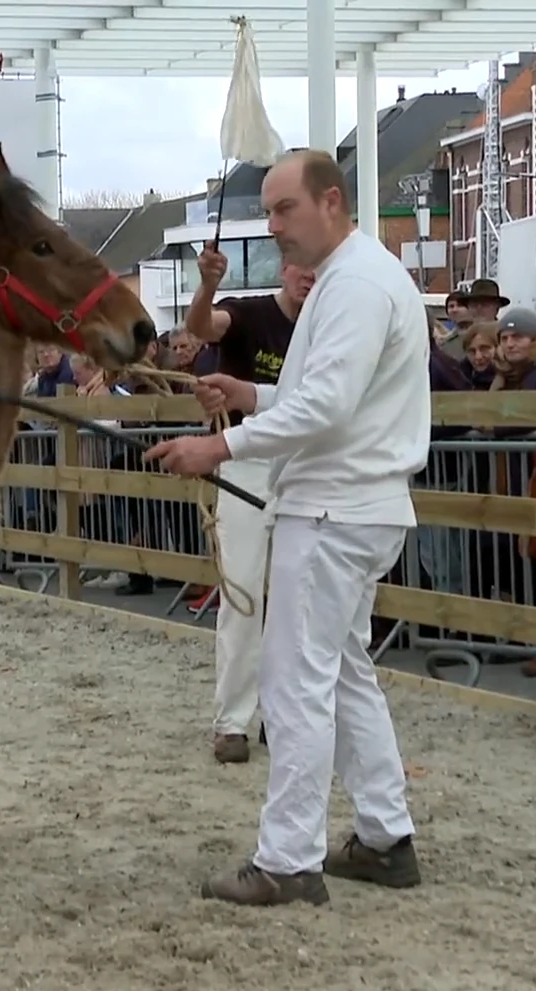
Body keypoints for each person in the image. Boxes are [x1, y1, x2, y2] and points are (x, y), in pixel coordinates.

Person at [145, 149, 431, 907]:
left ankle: (288, 859)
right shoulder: (354, 277)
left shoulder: (356, 285)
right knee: (338, 670)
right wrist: (250, 392)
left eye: (282, 210)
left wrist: (221, 441)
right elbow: (328, 398)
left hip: (334, 507)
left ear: (330, 202)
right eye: (270, 211)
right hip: (355, 502)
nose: (273, 227)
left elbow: (329, 409)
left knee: (294, 680)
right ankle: (383, 834)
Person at [184, 257, 312, 764]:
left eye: (318, 270)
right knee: (242, 591)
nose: (309, 277)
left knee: (296, 595)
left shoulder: (328, 325)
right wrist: (208, 286)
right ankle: (233, 719)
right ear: (285, 269)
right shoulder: (249, 314)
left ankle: (281, 714)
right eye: (302, 269)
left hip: (303, 465)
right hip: (245, 460)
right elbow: (201, 326)